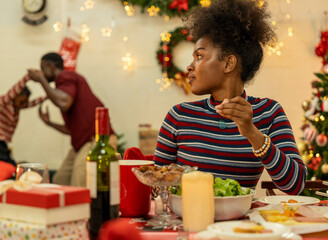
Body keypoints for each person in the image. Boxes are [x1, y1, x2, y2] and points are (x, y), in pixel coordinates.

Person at [153, 0, 307, 195]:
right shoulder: (178, 116)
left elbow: (296, 185)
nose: (190, 66)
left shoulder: (269, 112)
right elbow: (155, 189)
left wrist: (252, 133)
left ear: (228, 64)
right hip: (189, 222)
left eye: (199, 56)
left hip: (241, 225)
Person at [28, 52, 116, 187]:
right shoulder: (64, 86)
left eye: (43, 68)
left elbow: (64, 102)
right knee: (60, 180)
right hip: (83, 142)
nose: (42, 72)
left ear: (51, 66)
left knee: (79, 183)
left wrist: (41, 80)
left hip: (96, 140)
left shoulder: (66, 76)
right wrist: (50, 123)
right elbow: (72, 131)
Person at [0, 75, 46, 166]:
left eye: (25, 102)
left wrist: (47, 96)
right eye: (21, 101)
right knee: (4, 162)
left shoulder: (17, 107)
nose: (23, 105)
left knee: (9, 161)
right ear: (14, 96)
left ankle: (14, 171)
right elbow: (14, 89)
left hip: (0, 139)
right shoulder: (4, 102)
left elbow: (33, 103)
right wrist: (27, 77)